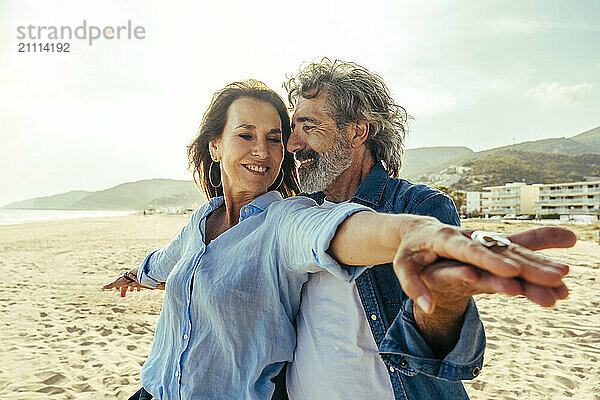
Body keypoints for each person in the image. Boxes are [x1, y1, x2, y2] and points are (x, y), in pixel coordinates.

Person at [104, 80, 572, 400]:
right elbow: (167, 262)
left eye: (299, 129)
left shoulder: (298, 218)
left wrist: (417, 235)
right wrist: (137, 275)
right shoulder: (203, 221)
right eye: (250, 134)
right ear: (215, 145)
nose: (285, 147)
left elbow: (349, 234)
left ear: (357, 132)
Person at [277, 59, 577, 400]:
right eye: (292, 129)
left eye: (309, 126)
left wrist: (444, 300)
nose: (292, 144)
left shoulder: (419, 208)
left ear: (357, 132)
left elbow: (436, 345)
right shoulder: (295, 215)